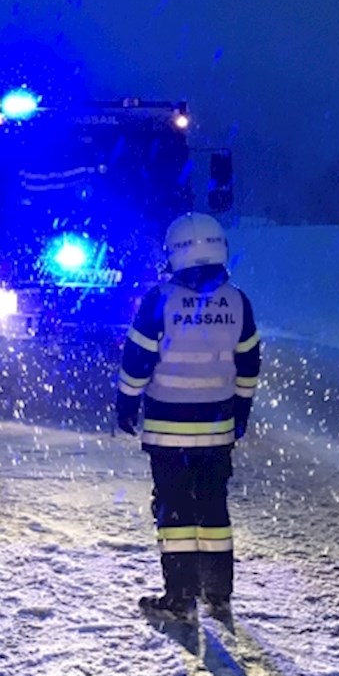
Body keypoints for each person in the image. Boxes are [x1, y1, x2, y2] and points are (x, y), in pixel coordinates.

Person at [114, 213, 261, 622]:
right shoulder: (238, 302)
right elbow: (249, 365)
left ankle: (180, 597)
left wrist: (127, 403)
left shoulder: (160, 300)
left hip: (168, 431)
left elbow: (137, 360)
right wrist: (241, 410)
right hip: (217, 430)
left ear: (174, 253)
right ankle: (218, 592)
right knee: (213, 509)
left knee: (175, 511)